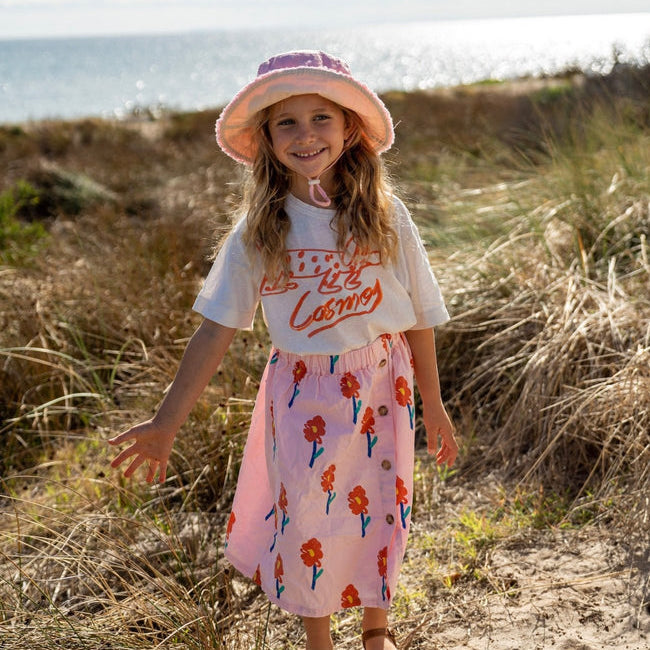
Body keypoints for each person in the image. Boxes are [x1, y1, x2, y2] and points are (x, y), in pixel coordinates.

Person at [108, 50, 458, 650]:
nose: (306, 135)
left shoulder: (385, 215)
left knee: (380, 508)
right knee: (308, 522)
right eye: (286, 122)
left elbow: (420, 318)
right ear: (267, 139)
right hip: (303, 398)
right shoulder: (260, 231)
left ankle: (377, 631)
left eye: (321, 117)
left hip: (380, 384)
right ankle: (318, 639)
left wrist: (435, 402)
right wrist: (166, 422)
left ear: (349, 127)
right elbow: (214, 330)